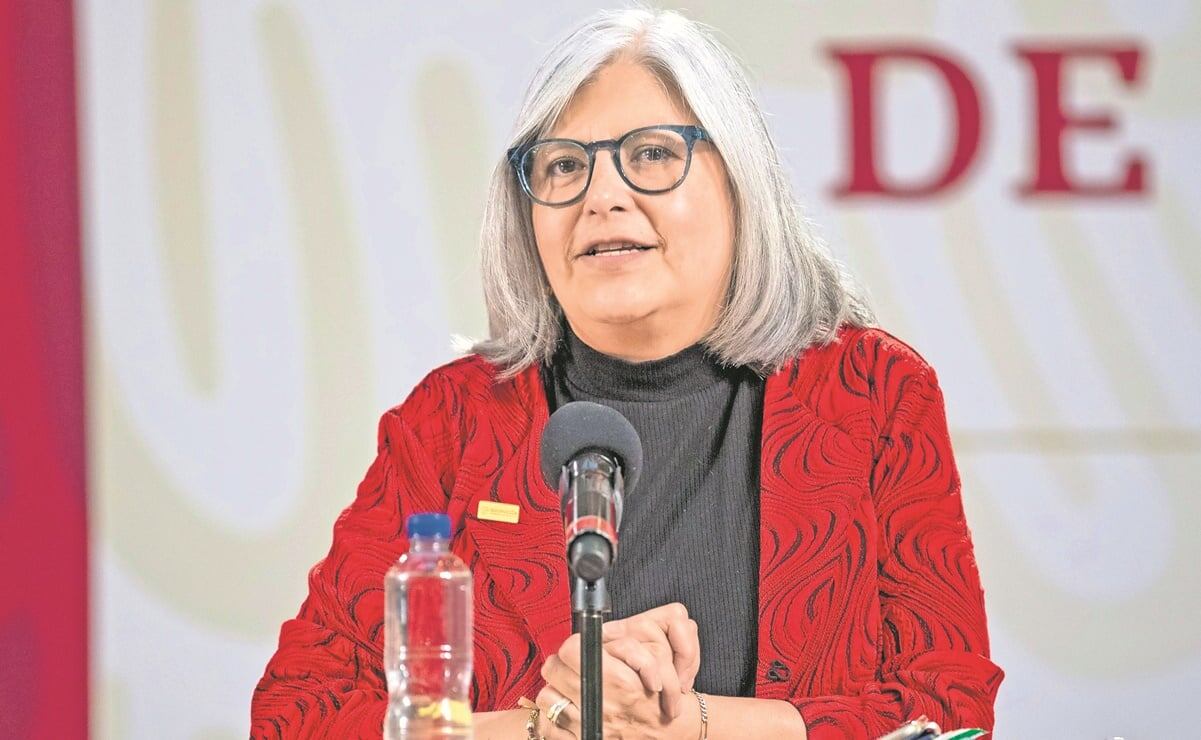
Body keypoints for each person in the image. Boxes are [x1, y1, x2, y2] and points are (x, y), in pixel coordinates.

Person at [251, 8, 1003, 739]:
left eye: (651, 155)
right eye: (564, 166)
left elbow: (950, 707)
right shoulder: (454, 420)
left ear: (740, 181)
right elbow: (295, 714)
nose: (602, 197)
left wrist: (691, 726)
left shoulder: (871, 393)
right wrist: (545, 728)